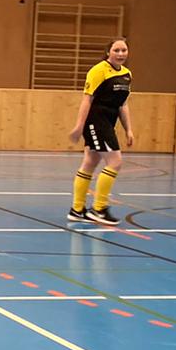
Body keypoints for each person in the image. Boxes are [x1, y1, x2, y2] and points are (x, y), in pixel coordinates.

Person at [67, 37, 134, 226]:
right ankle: (99, 209)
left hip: (109, 122)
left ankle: (77, 210)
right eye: (116, 50)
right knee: (115, 162)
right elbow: (87, 99)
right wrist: (79, 126)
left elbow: (123, 104)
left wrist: (128, 129)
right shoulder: (98, 71)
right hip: (96, 121)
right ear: (108, 52)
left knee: (90, 162)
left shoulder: (127, 74)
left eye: (123, 50)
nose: (120, 54)